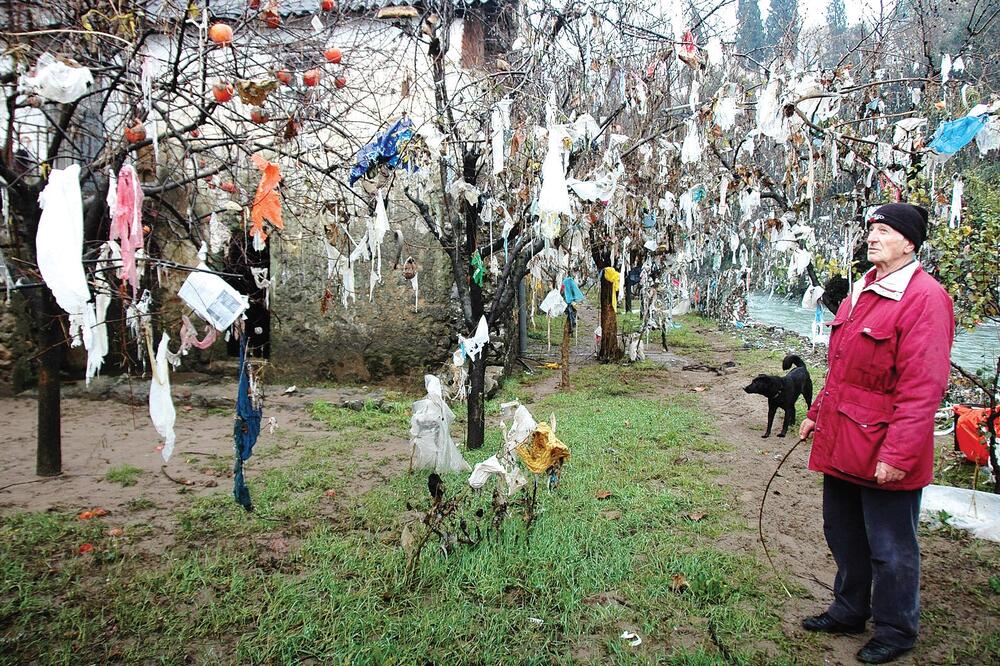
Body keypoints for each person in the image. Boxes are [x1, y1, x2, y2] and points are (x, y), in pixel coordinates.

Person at [798, 203, 954, 664]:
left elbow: (923, 387)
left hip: (885, 443)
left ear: (909, 242)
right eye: (871, 230)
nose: (872, 238)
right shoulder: (862, 289)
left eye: (883, 231)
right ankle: (848, 609)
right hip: (844, 434)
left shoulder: (925, 299)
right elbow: (843, 369)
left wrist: (899, 454)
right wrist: (817, 411)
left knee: (891, 545)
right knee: (842, 530)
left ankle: (896, 629)